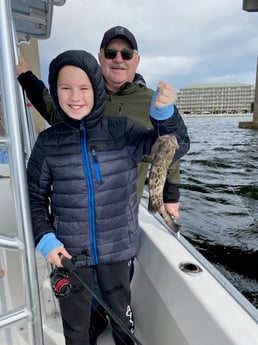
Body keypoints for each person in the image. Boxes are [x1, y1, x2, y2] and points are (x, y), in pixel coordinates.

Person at [16, 25, 190, 344]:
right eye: (65, 88)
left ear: (95, 88)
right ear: (56, 90)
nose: (75, 96)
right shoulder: (47, 143)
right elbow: (33, 198)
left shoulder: (122, 131)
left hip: (116, 246)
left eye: (84, 87)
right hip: (70, 252)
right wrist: (45, 238)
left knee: (122, 318)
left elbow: (175, 144)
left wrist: (165, 112)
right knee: (77, 327)